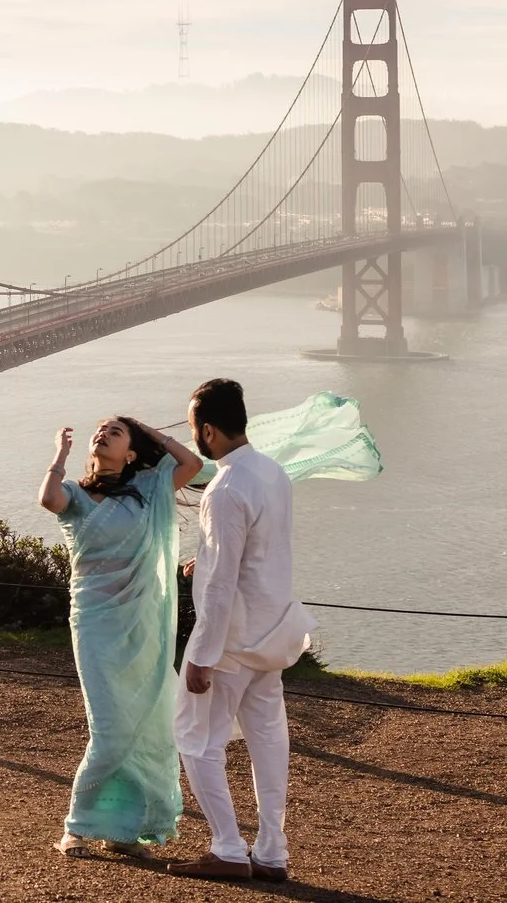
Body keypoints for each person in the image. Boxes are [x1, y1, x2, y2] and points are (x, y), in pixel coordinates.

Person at [169, 376, 314, 884]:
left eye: (194, 429)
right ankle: (272, 851)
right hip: (273, 631)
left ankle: (228, 847)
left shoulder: (225, 487)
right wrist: (205, 560)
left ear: (208, 431)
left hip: (230, 640)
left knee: (195, 738)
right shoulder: (272, 472)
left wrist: (201, 655)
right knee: (268, 738)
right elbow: (259, 548)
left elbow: (222, 582)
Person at [40, 413, 205, 858]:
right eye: (100, 431)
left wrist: (149, 432)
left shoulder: (147, 488)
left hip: (141, 622)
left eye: (115, 432)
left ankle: (124, 830)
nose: (103, 434)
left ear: (131, 454)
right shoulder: (76, 494)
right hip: (94, 622)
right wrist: (60, 455)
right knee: (111, 728)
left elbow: (191, 465)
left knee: (142, 723)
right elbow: (48, 498)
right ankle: (76, 827)